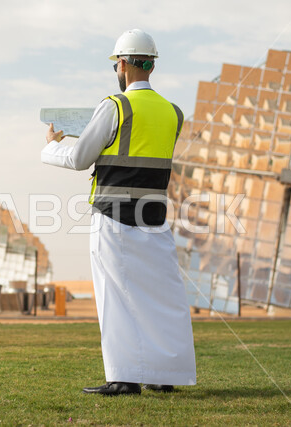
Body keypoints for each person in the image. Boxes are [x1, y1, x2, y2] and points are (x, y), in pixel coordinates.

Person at [41, 29, 196, 396]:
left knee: (114, 296)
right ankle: (163, 375)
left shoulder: (114, 105)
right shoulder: (174, 113)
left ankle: (123, 378)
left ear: (122, 64)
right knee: (162, 296)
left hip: (114, 217)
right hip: (155, 218)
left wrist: (51, 147)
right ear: (152, 65)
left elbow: (81, 158)